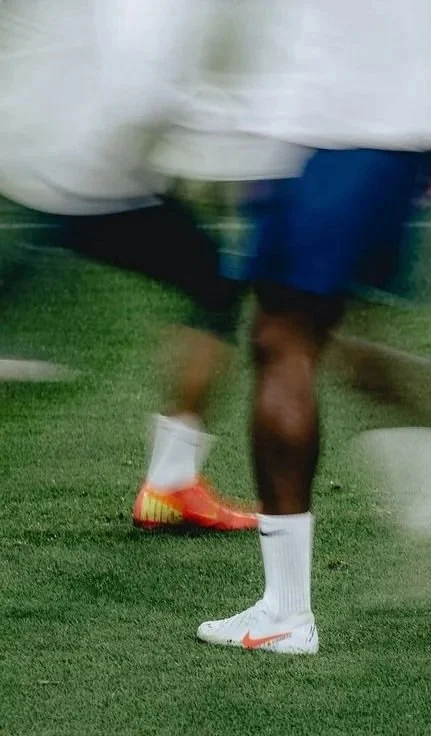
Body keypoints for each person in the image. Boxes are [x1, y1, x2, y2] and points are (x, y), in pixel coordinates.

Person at [152, 0, 431, 654]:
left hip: (322, 127)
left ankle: (285, 610)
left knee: (282, 339)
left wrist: (210, 124)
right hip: (403, 133)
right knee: (347, 338)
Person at [0, 0, 256, 530]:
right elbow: (143, 91)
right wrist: (228, 140)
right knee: (214, 282)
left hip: (41, 157)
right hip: (84, 175)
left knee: (208, 278)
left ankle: (172, 484)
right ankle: (171, 482)